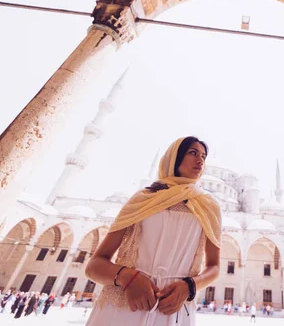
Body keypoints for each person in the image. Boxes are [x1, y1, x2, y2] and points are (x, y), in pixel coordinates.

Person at [84, 137, 221, 326]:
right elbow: (94, 266)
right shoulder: (144, 198)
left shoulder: (208, 206)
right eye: (193, 153)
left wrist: (189, 286)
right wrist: (128, 278)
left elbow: (214, 267)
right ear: (174, 157)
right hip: (122, 308)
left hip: (173, 311)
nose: (200, 161)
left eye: (204, 156)